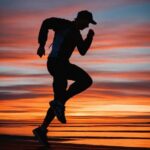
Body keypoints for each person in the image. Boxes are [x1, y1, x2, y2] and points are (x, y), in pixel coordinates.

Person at [33, 10, 97, 147]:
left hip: (64, 65)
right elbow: (46, 23)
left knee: (85, 81)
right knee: (59, 100)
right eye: (87, 23)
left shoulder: (78, 34)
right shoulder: (63, 24)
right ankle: (59, 103)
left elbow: (82, 51)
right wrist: (41, 44)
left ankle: (42, 129)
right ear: (80, 19)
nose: (87, 26)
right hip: (55, 63)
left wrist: (90, 37)